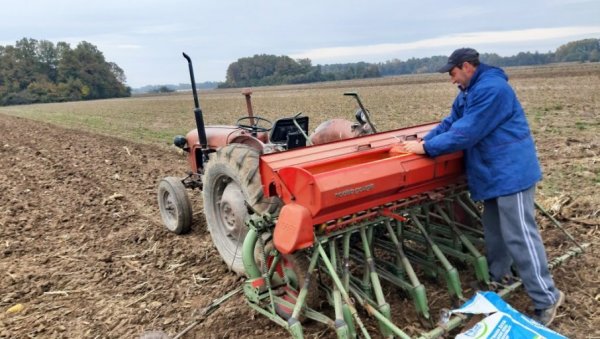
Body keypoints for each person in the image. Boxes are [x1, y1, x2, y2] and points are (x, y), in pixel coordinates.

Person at [399, 47, 564, 326]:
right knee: (495, 232)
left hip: (511, 172)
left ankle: (547, 296)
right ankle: (502, 278)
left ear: (467, 67)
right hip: (492, 172)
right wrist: (420, 142)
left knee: (520, 236)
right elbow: (452, 122)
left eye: (452, 73)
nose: (451, 79)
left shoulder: (491, 90)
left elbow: (467, 131)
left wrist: (426, 148)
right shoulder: (469, 91)